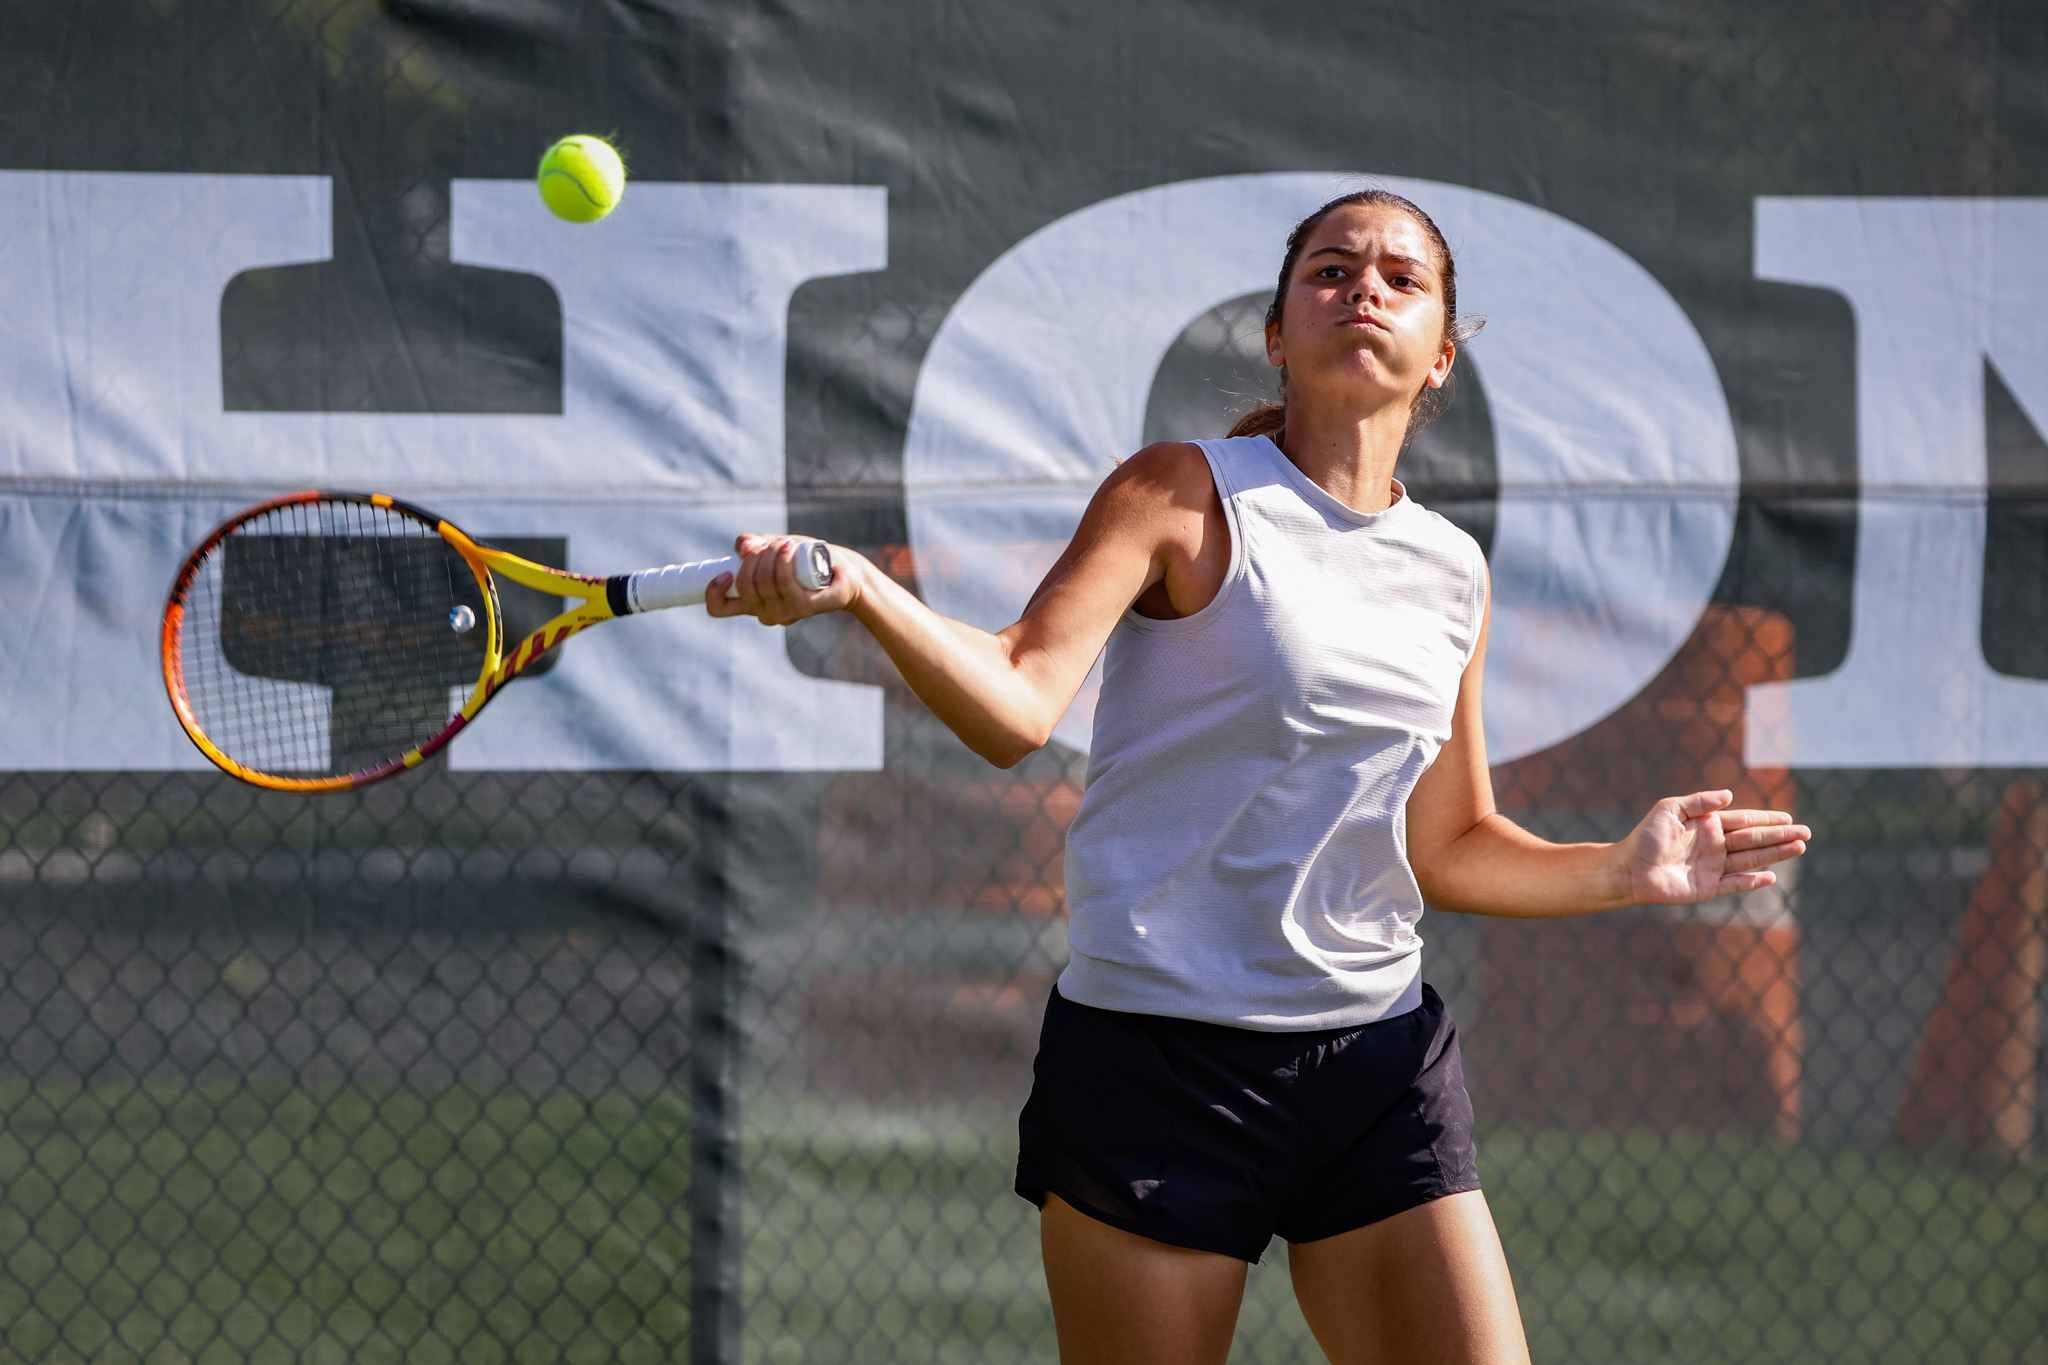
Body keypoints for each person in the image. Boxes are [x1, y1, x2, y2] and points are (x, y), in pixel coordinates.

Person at [704, 188, 1811, 1365]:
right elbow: (1017, 701)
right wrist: (865, 593)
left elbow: (1445, 847)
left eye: (1397, 277)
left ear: (1440, 356)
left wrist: (1620, 870)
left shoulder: (1450, 570)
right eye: (1328, 271)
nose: (1362, 290)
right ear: (1278, 334)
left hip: (1375, 1062)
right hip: (1155, 1061)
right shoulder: (1179, 494)